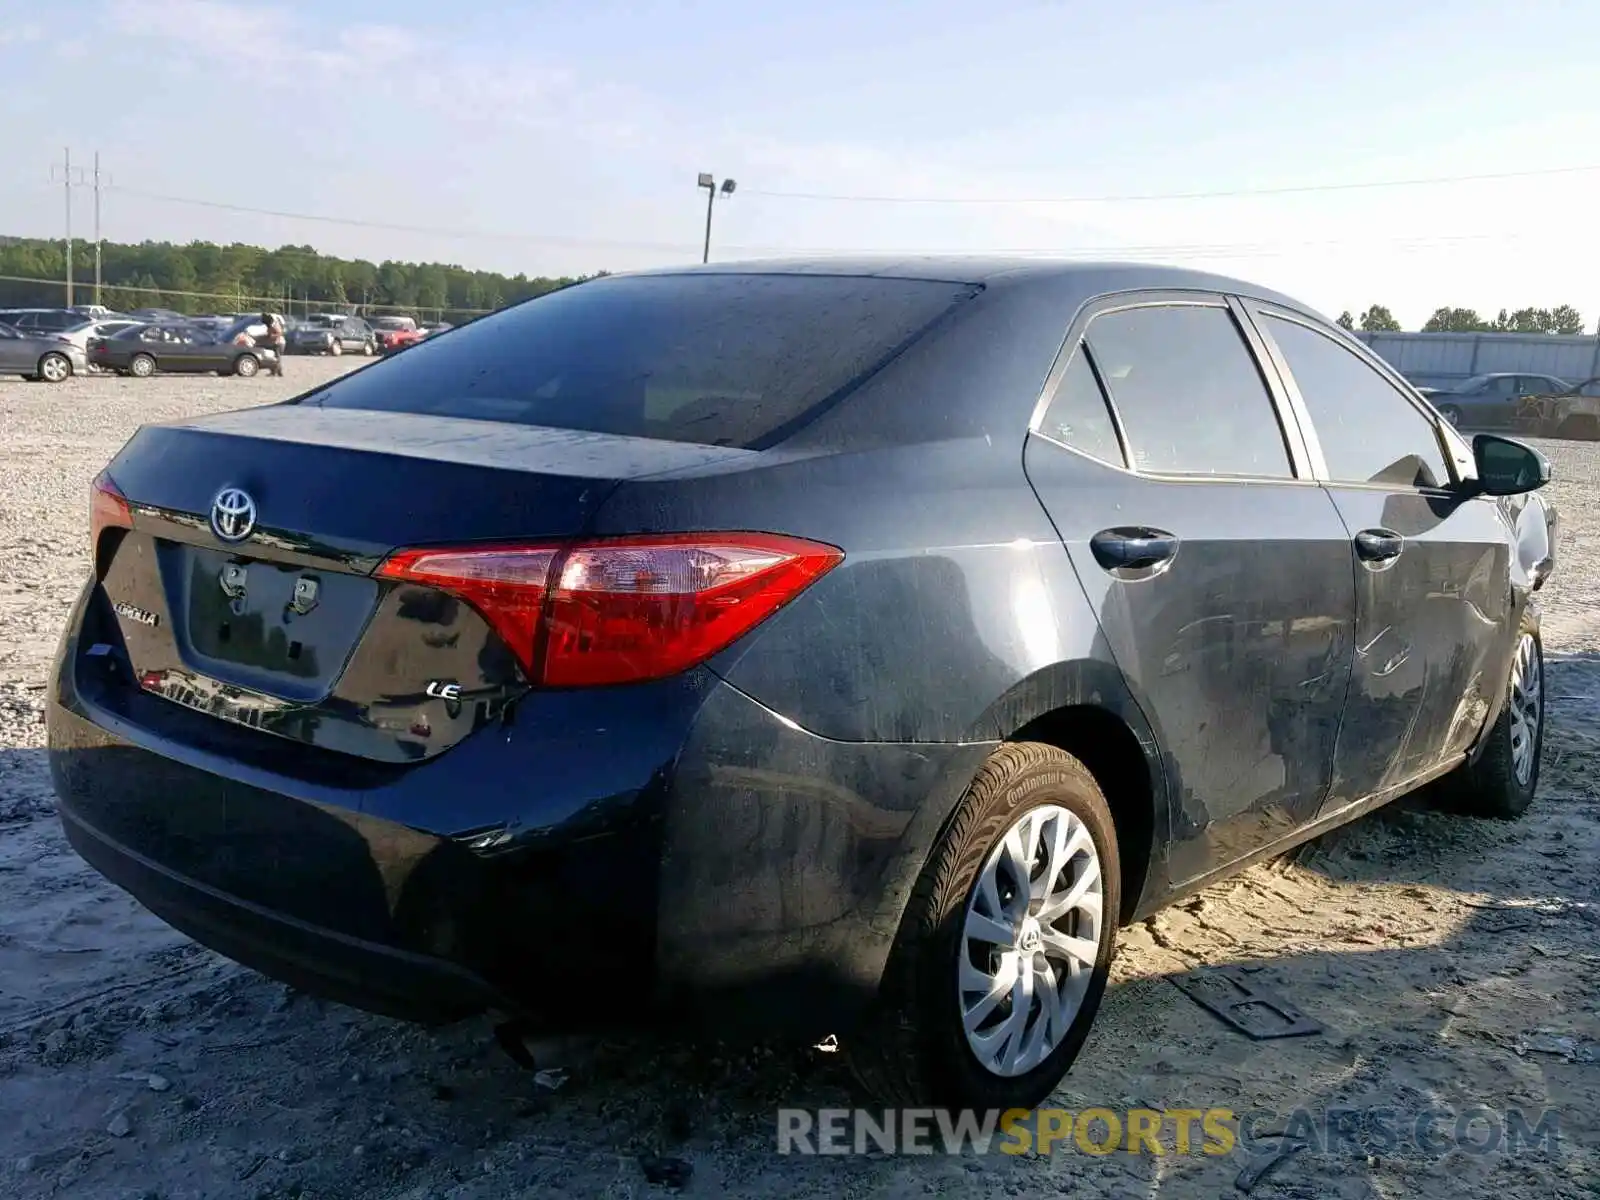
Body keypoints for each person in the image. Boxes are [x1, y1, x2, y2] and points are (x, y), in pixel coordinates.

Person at [261, 311, 286, 376]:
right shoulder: (270, 325)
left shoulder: (274, 324)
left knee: (277, 358)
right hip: (275, 342)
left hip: (279, 343)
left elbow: (280, 333)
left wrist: (272, 336)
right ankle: (275, 371)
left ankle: (278, 372)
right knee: (274, 357)